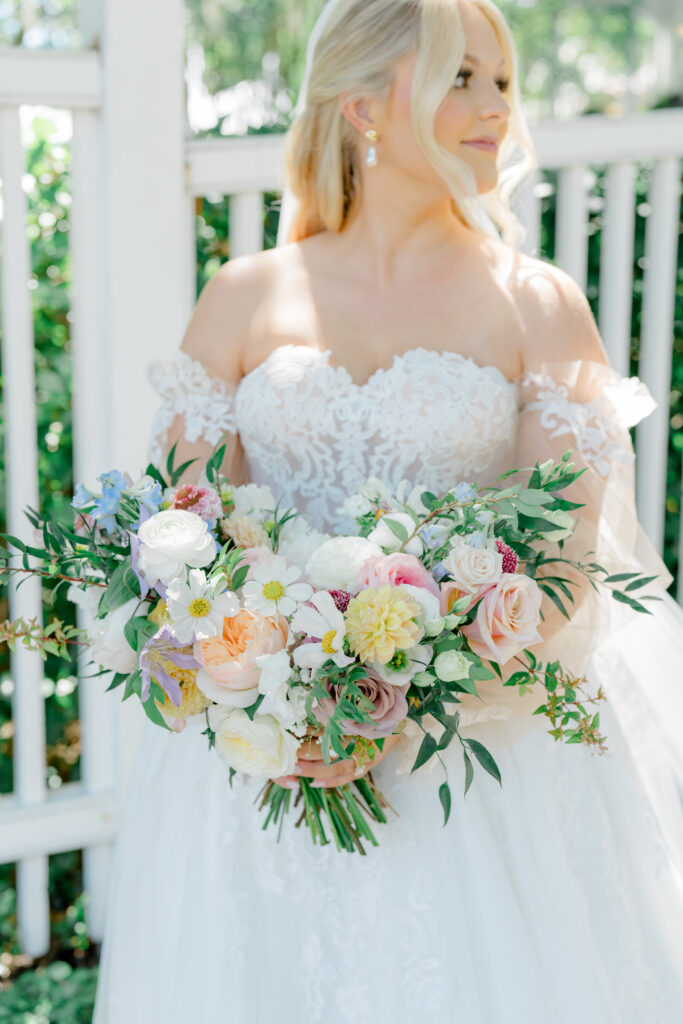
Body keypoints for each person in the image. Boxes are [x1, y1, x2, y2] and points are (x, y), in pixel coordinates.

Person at [92, 1, 683, 1021]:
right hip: (266, 772)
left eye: (500, 81)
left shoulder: (535, 304)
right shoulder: (241, 296)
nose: (494, 107)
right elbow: (175, 541)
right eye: (461, 78)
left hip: (479, 768)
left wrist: (392, 703)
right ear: (363, 103)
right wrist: (275, 697)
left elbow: (564, 563)